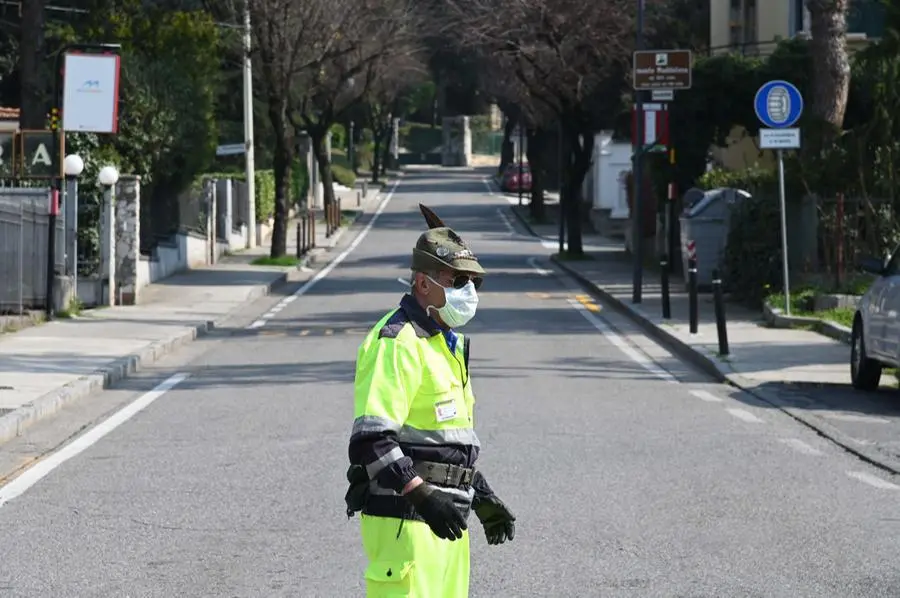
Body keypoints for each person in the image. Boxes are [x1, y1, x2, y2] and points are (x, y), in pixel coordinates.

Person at [346, 206, 516, 597]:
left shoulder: (446, 344)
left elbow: (443, 442)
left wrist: (480, 494)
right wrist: (421, 495)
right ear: (423, 284)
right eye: (457, 280)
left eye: (473, 282)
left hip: (446, 522)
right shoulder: (398, 342)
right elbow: (372, 441)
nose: (468, 292)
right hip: (407, 522)